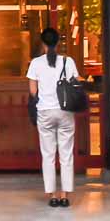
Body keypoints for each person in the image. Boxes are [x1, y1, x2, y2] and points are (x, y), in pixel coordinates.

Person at [26, 27, 78, 207]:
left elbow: (33, 91)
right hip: (65, 111)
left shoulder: (36, 63)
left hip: (45, 112)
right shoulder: (68, 61)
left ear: (43, 43)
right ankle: (65, 195)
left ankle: (52, 196)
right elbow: (75, 83)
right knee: (66, 153)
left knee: (48, 154)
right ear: (58, 42)